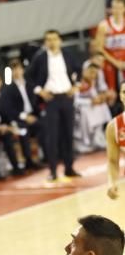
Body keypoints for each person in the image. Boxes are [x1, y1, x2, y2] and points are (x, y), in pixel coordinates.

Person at [26, 29, 80, 182]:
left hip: (67, 98)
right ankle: (53, 170)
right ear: (45, 42)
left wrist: (76, 86)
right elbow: (28, 76)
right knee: (52, 136)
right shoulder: (41, 58)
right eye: (48, 39)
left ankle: (69, 168)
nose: (52, 42)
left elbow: (79, 69)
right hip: (51, 100)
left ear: (60, 40)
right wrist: (39, 91)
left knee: (68, 134)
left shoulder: (68, 54)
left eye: (54, 39)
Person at [0, 58, 44, 168]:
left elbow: (37, 102)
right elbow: (9, 109)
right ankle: (29, 161)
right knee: (24, 130)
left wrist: (38, 114)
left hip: (34, 116)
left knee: (45, 124)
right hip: (19, 119)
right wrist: (24, 116)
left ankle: (48, 155)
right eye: (13, 70)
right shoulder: (8, 90)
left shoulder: (30, 85)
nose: (16, 72)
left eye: (18, 69)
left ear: (22, 70)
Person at [95, 0, 125, 94]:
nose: (117, 11)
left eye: (119, 8)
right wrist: (115, 62)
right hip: (110, 59)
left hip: (123, 58)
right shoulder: (104, 25)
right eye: (114, 8)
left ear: (124, 8)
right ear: (111, 9)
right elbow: (99, 48)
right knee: (111, 92)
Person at [105, 80, 125, 200]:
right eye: (124, 92)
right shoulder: (114, 127)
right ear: (121, 96)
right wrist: (112, 183)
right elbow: (113, 161)